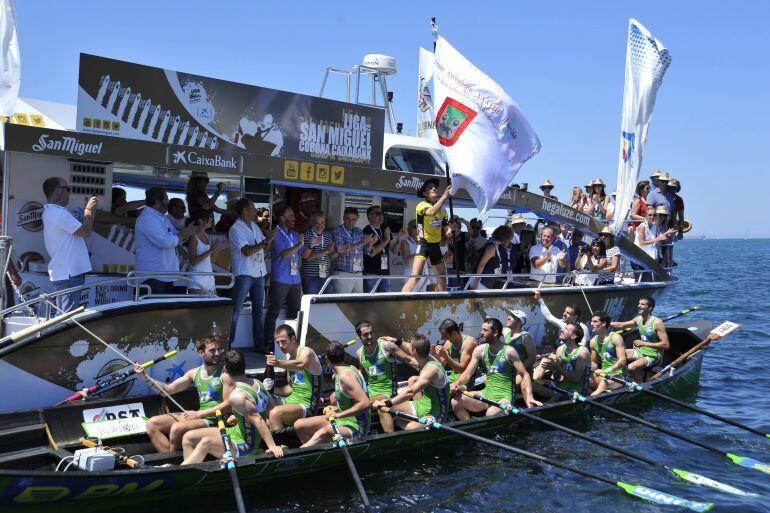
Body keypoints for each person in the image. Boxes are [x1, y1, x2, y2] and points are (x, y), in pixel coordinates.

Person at [180, 350, 283, 464]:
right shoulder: (258, 383)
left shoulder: (236, 396)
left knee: (206, 442)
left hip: (247, 445)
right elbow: (270, 406)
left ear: (225, 369)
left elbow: (258, 420)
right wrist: (242, 417)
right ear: (244, 366)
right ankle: (191, 472)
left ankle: (181, 472)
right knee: (188, 437)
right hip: (235, 431)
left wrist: (272, 446)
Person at [136, 337, 232, 453]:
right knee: (152, 424)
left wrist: (198, 414)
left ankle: (173, 463)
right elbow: (167, 390)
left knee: (177, 428)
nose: (217, 353)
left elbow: (228, 405)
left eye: (218, 350)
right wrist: (144, 376)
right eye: (212, 350)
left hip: (217, 420)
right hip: (199, 416)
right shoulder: (194, 373)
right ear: (201, 353)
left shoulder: (226, 372)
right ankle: (168, 459)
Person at [450, 318, 541, 419]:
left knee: (490, 414)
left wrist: (529, 397)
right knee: (455, 402)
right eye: (482, 329)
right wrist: (455, 384)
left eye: (485, 330)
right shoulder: (480, 350)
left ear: (495, 333)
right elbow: (467, 374)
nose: (481, 332)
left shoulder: (509, 352)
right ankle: (470, 428)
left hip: (504, 398)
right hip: (486, 394)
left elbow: (525, 375)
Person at [294, 341, 371, 447]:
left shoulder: (346, 376)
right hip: (343, 420)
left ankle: (301, 455)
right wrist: (336, 409)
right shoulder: (341, 372)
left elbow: (365, 403)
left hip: (357, 425)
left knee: (322, 433)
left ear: (327, 359)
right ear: (344, 357)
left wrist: (338, 414)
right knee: (299, 425)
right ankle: (318, 454)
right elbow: (350, 401)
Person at [41, 177, 98, 313]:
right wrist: (88, 210)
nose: (69, 193)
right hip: (69, 273)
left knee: (64, 314)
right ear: (58, 191)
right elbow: (85, 232)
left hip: (66, 272)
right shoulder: (58, 213)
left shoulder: (52, 211)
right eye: (68, 189)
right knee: (67, 317)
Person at [373, 334, 450, 428]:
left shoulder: (431, 369)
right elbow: (407, 347)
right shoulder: (424, 358)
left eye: (410, 344)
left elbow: (410, 392)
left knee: (410, 427)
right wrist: (395, 340)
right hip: (422, 405)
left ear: (414, 351)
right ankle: (393, 439)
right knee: (383, 409)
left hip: (437, 413)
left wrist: (387, 403)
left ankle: (404, 428)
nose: (407, 345)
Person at [355, 320, 417, 433]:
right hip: (370, 393)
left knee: (363, 404)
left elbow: (410, 360)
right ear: (358, 336)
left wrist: (426, 371)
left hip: (387, 393)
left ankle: (390, 437)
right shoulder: (359, 353)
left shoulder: (386, 346)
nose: (370, 336)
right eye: (365, 335)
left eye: (371, 333)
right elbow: (363, 375)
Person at [229, 198, 274, 352]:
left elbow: (265, 247)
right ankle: (227, 345)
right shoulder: (235, 228)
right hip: (244, 273)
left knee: (258, 311)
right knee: (236, 310)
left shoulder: (254, 225)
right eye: (253, 207)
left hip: (258, 271)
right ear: (244, 210)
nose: (256, 210)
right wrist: (266, 241)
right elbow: (247, 251)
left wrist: (270, 239)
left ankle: (259, 345)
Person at [134, 187, 195, 295]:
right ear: (158, 202)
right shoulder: (148, 218)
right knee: (153, 310)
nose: (168, 202)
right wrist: (182, 235)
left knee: (163, 311)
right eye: (166, 199)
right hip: (152, 275)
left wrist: (186, 232)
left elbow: (174, 235)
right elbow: (165, 242)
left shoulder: (161, 218)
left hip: (165, 274)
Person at [266, 324, 323, 429]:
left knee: (275, 413)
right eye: (278, 342)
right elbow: (290, 389)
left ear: (293, 338)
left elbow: (301, 364)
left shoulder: (307, 352)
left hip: (307, 406)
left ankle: (281, 444)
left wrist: (277, 363)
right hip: (291, 401)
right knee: (262, 402)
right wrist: (270, 391)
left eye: (283, 341)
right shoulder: (289, 361)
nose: (280, 345)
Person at [402, 178, 453, 292]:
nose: (433, 188)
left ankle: (439, 306)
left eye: (434, 187)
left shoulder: (443, 210)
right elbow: (431, 212)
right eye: (430, 187)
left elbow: (448, 233)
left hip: (435, 246)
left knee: (442, 280)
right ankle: (400, 302)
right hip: (424, 244)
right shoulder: (421, 205)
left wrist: (452, 228)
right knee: (416, 278)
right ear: (425, 193)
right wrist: (444, 196)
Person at [265, 205, 304, 351]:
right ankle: (269, 342)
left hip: (295, 279)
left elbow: (304, 253)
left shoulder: (294, 234)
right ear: (282, 218)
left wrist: (321, 248)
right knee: (274, 311)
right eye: (291, 216)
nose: (294, 218)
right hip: (281, 278)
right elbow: (284, 254)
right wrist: (299, 245)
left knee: (294, 311)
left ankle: (290, 342)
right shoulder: (275, 233)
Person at [610, 296, 670, 383]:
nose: (639, 306)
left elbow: (666, 345)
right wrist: (607, 323)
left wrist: (644, 344)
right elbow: (622, 325)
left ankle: (641, 384)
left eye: (642, 304)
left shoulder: (657, 323)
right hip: (640, 351)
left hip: (653, 356)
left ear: (650, 308)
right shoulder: (638, 319)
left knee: (632, 367)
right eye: (639, 303)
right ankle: (623, 377)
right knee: (617, 354)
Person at [532, 322, 591, 400]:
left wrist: (558, 367)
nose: (562, 330)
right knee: (532, 385)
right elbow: (557, 377)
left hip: (576, 390)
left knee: (558, 395)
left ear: (573, 336)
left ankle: (543, 408)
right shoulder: (560, 349)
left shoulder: (582, 352)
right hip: (560, 386)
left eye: (566, 329)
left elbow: (576, 379)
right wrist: (554, 369)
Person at [333, 207, 375, 294]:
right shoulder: (337, 231)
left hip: (358, 273)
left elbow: (366, 251)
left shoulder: (359, 231)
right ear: (343, 218)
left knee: (358, 303)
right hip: (344, 274)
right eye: (348, 219)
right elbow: (342, 249)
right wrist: (363, 242)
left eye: (353, 219)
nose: (350, 222)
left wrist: (370, 244)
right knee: (342, 303)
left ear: (357, 219)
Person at [186, 213, 227, 294]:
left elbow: (210, 260)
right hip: (197, 279)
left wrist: (217, 248)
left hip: (210, 278)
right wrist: (211, 250)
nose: (211, 220)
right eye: (209, 218)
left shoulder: (206, 235)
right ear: (200, 221)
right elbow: (193, 262)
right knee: (199, 307)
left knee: (214, 306)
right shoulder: (193, 237)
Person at [432, 318, 478, 385]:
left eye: (445, 336)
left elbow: (462, 370)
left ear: (454, 333)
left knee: (444, 390)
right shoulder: (448, 343)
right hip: (453, 376)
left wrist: (446, 357)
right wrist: (436, 355)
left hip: (467, 378)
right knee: (430, 383)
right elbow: (442, 364)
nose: (442, 338)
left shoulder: (468, 343)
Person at [300, 211, 336, 294]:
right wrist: (325, 251)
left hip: (325, 276)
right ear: (311, 223)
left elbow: (330, 256)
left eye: (322, 223)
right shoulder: (306, 236)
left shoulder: (328, 236)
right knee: (312, 303)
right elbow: (306, 258)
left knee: (327, 303)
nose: (320, 226)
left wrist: (338, 251)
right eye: (317, 223)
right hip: (310, 277)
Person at [363, 205, 393, 292]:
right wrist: (386, 240)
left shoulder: (384, 229)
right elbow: (372, 253)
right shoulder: (367, 230)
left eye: (381, 213)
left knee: (385, 300)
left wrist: (399, 240)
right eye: (377, 213)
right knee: (371, 301)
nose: (380, 215)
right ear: (369, 216)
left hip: (385, 272)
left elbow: (394, 250)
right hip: (371, 272)